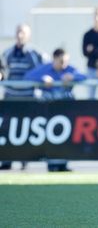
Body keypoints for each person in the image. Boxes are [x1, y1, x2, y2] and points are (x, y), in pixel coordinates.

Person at [24, 48, 86, 171]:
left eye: (66, 61)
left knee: (66, 137)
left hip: (66, 111)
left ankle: (63, 164)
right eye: (61, 61)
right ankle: (52, 164)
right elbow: (28, 77)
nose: (64, 64)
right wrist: (42, 79)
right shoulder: (45, 69)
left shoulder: (69, 69)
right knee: (51, 137)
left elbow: (84, 76)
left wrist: (72, 77)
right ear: (54, 59)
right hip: (50, 112)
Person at [0, 23, 43, 170]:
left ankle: (24, 158)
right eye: (18, 32)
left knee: (25, 128)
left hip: (27, 96)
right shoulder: (7, 53)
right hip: (11, 96)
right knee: (7, 129)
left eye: (23, 32)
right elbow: (3, 71)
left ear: (28, 35)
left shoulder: (34, 53)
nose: (20, 35)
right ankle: (7, 159)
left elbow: (44, 69)